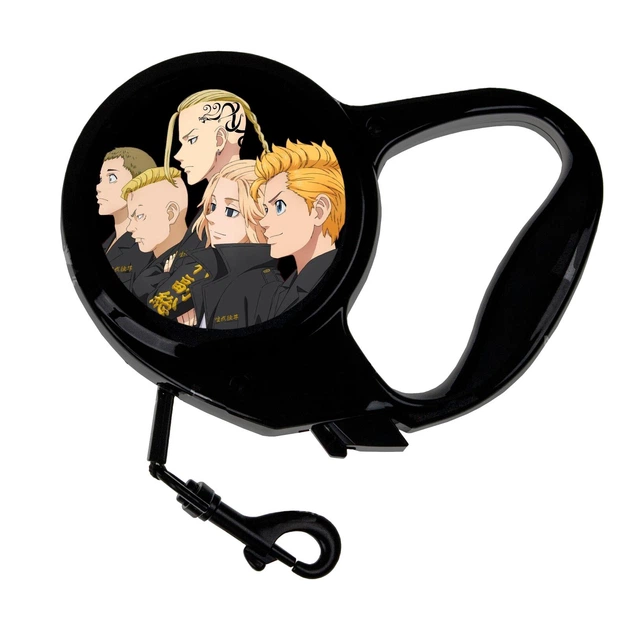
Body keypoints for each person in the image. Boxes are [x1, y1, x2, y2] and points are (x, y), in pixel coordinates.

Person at [150, 160, 281, 328]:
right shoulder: (212, 268)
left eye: (230, 211)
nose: (210, 217)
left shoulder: (266, 289)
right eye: (212, 206)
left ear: (261, 218)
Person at [163, 89, 269, 255]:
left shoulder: (258, 202)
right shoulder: (208, 209)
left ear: (219, 139)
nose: (178, 155)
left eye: (192, 139)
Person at [250, 140, 345, 321]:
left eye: (279, 206)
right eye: (266, 209)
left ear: (319, 210)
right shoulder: (285, 289)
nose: (264, 221)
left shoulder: (327, 281)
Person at [120, 167, 189, 308]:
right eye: (130, 219)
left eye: (140, 216)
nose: (130, 228)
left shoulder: (197, 263)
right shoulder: (144, 265)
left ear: (171, 213)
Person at [96, 147, 156, 289]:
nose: (98, 187)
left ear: (139, 184)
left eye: (112, 178)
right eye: (101, 179)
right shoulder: (105, 246)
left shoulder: (146, 247)